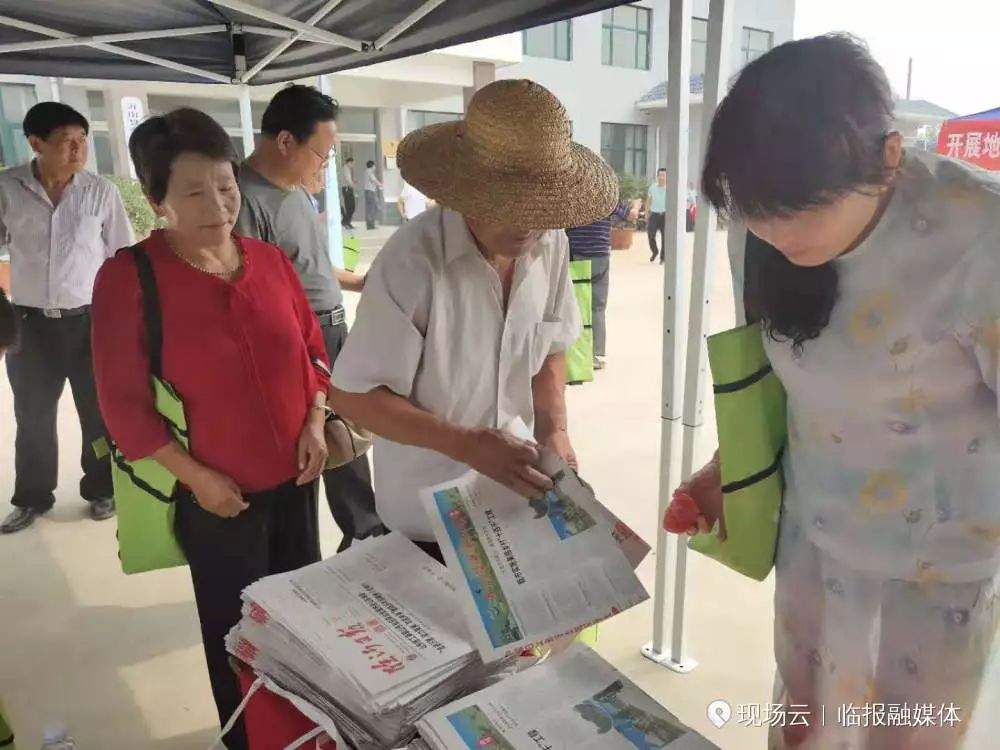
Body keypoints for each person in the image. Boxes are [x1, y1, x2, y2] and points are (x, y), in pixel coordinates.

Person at [668, 34, 1000, 749]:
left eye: (801, 210)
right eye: (759, 212)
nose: (776, 232)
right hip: (814, 538)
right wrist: (734, 468)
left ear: (888, 156)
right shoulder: (758, 223)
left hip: (938, 565)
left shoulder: (978, 236)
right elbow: (780, 373)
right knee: (803, 725)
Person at [91, 108, 332, 750]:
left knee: (303, 626)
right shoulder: (130, 277)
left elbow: (313, 351)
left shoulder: (269, 260)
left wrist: (314, 419)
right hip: (218, 499)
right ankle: (247, 739)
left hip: (297, 480)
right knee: (237, 635)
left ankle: (309, 733)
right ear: (156, 199)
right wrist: (198, 480)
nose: (218, 205)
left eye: (225, 186)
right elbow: (122, 405)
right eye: (194, 192)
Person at [328, 79, 616, 558]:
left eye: (539, 210)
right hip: (428, 519)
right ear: (463, 192)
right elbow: (355, 395)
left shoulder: (551, 244)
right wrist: (466, 444)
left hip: (516, 498)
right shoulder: (413, 261)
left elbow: (552, 347)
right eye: (508, 208)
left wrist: (554, 429)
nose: (527, 225)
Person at [237, 84, 384, 551]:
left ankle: (363, 534)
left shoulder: (296, 191)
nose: (325, 165)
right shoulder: (241, 198)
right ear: (285, 142)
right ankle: (302, 553)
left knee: (349, 441)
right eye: (322, 154)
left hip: (334, 329)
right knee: (309, 443)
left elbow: (308, 264)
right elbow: (254, 291)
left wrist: (357, 282)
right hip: (297, 341)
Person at [0, 102, 133, 535]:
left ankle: (101, 489)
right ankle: (32, 498)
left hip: (88, 324)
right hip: (29, 326)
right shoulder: (7, 187)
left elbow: (121, 259)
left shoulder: (100, 193)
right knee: (33, 415)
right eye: (65, 141)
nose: (78, 150)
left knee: (98, 414)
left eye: (82, 140)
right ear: (36, 144)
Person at [565, 199, 638, 370]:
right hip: (600, 256)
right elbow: (631, 215)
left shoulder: (572, 196)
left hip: (578, 255)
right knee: (597, 307)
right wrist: (636, 205)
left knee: (578, 305)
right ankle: (597, 354)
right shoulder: (606, 196)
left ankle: (579, 354)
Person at [645, 167, 667, 262]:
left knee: (665, 237)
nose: (662, 177)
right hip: (654, 215)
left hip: (665, 215)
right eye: (660, 175)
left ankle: (663, 257)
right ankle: (655, 251)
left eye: (664, 175)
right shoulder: (652, 187)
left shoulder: (670, 188)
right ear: (657, 176)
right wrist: (646, 213)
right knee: (651, 234)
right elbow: (648, 201)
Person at [364, 159, 382, 229]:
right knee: (374, 208)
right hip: (371, 192)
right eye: (374, 166)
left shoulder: (366, 171)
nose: (375, 167)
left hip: (367, 192)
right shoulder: (370, 172)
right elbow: (373, 180)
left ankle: (369, 225)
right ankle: (371, 225)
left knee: (369, 208)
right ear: (372, 166)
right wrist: (380, 184)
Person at [341, 156, 356, 228]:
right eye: (353, 164)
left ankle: (346, 222)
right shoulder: (346, 168)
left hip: (347, 188)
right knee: (350, 207)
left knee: (350, 207)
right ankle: (346, 222)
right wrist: (352, 184)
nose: (353, 165)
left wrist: (352, 183)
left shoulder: (347, 169)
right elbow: (347, 179)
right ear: (349, 162)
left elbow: (348, 179)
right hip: (347, 189)